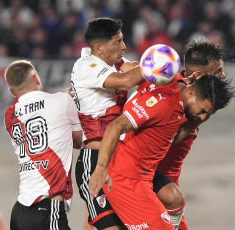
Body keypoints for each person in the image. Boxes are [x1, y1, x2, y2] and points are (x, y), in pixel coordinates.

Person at [89, 74, 235, 229]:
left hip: (143, 174)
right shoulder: (164, 105)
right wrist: (100, 169)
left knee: (174, 199)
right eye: (203, 110)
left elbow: (168, 140)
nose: (202, 117)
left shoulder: (171, 81)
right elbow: (115, 126)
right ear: (191, 93)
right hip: (126, 178)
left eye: (208, 115)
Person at [71, 17, 143, 230]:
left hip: (122, 157)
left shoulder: (112, 63)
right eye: (118, 42)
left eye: (122, 40)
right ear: (99, 48)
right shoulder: (88, 66)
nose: (124, 46)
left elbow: (134, 68)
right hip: (94, 160)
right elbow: (128, 80)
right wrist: (156, 63)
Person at [155, 41, 227, 230]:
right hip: (153, 189)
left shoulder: (194, 97)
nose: (223, 76)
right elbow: (157, 143)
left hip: (168, 188)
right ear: (199, 76)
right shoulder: (172, 98)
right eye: (218, 71)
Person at [3, 60, 82, 230]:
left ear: (12, 91)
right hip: (47, 208)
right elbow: (78, 141)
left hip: (19, 212)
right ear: (37, 79)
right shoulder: (62, 100)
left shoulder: (9, 116)